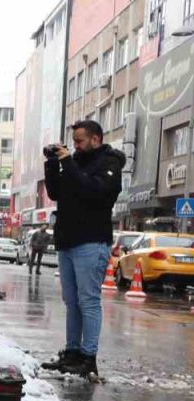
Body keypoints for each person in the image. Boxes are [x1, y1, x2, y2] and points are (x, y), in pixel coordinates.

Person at [39, 120, 125, 377]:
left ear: (95, 139)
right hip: (67, 240)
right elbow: (55, 192)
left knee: (88, 301)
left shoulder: (109, 164)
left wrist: (68, 162)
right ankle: (72, 352)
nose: (75, 145)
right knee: (72, 302)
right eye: (73, 141)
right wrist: (52, 163)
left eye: (79, 141)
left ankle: (88, 357)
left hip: (92, 241)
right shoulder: (74, 162)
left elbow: (92, 190)